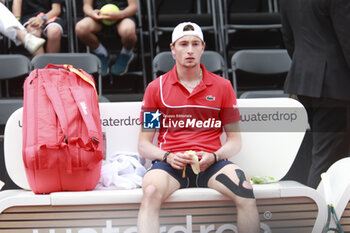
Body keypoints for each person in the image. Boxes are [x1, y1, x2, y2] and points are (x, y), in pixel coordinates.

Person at [137, 22, 260, 233]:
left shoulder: (222, 86)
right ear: (173, 49)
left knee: (245, 189)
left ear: (203, 48)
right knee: (149, 191)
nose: (190, 50)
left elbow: (235, 141)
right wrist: (168, 156)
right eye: (183, 44)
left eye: (195, 44)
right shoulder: (155, 88)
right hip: (171, 166)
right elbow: (144, 144)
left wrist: (214, 155)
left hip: (211, 164)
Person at [279, 0, 350, 188]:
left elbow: (288, 39)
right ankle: (318, 214)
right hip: (335, 85)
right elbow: (347, 39)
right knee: (330, 157)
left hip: (305, 81)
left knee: (327, 152)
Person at [75, 0, 138, 76]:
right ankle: (101, 53)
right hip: (98, 17)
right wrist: (92, 13)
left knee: (128, 31)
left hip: (123, 16)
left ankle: (126, 54)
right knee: (81, 28)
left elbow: (133, 7)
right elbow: (87, 6)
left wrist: (120, 14)